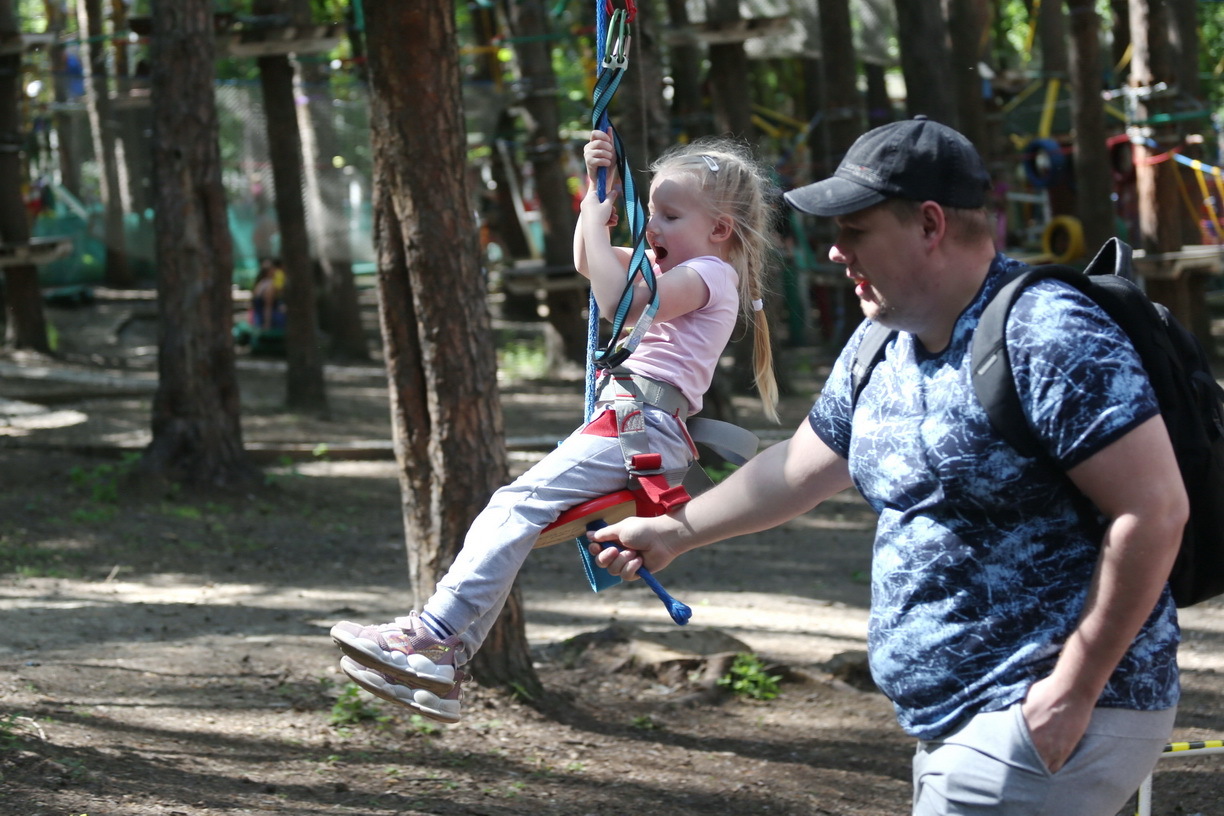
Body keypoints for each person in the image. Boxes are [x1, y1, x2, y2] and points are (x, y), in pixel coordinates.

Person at [588, 117, 1187, 816]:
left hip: (1049, 709)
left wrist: (1072, 691)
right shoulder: (882, 341)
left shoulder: (1048, 333)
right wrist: (674, 531)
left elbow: (1154, 510)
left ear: (930, 224)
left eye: (857, 231)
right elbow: (802, 467)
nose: (836, 252)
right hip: (961, 721)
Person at [329, 130, 780, 724]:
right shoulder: (680, 268)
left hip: (639, 426)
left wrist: (600, 221)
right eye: (652, 213)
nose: (653, 229)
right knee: (516, 513)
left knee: (512, 508)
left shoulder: (710, 276)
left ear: (720, 229)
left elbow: (619, 301)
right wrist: (597, 195)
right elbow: (586, 264)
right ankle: (446, 662)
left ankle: (431, 638)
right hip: (631, 423)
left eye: (669, 216)